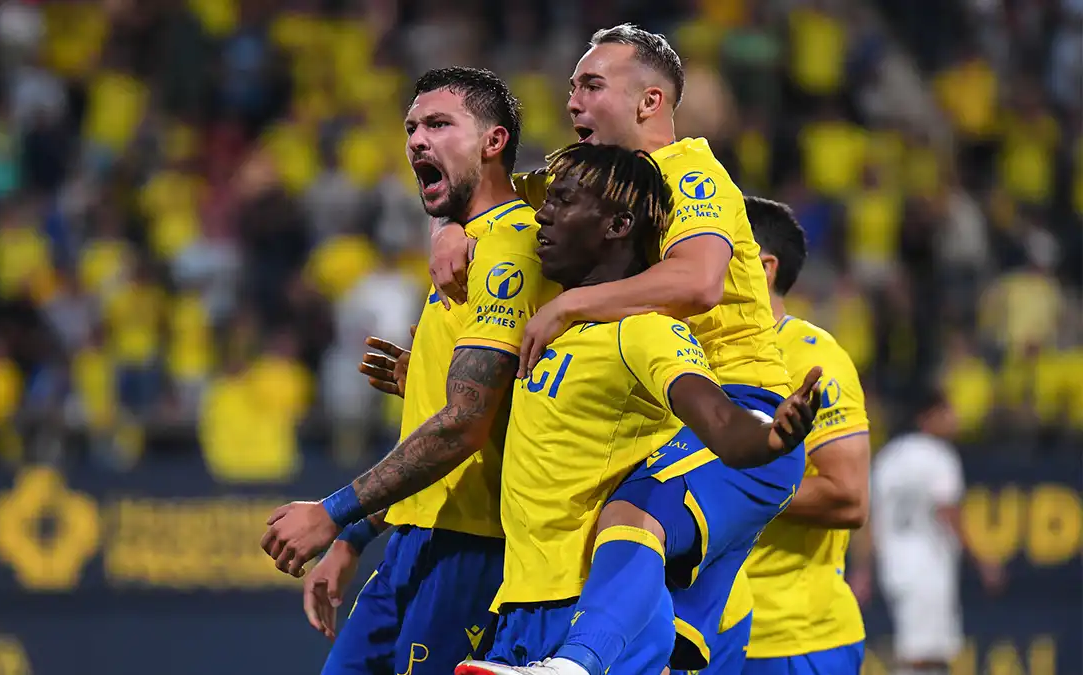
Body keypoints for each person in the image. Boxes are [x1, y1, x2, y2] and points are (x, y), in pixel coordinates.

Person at [429, 26, 803, 675]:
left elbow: (699, 280)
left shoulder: (688, 173)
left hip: (729, 405)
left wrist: (571, 304)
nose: (572, 100)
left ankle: (571, 665)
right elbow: (490, 198)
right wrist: (451, 227)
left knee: (631, 516)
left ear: (649, 102)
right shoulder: (592, 182)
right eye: (572, 85)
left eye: (592, 85)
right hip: (658, 418)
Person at [260, 66, 555, 675]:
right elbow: (438, 418)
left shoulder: (510, 248)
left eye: (439, 124)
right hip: (415, 538)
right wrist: (356, 537)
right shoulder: (464, 247)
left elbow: (465, 424)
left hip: (474, 546)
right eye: (412, 127)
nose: (417, 139)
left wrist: (333, 513)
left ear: (494, 141)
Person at [734, 197, 872, 675]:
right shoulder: (688, 350)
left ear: (764, 267)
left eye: (718, 247)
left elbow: (848, 499)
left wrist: (732, 484)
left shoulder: (812, 359)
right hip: (704, 634)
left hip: (790, 641)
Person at [871, 390, 1004, 675]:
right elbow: (948, 511)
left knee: (924, 651)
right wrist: (981, 560)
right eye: (947, 412)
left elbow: (871, 515)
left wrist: (864, 568)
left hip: (894, 564)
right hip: (926, 565)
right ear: (927, 416)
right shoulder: (938, 455)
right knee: (922, 655)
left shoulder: (889, 456)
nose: (954, 419)